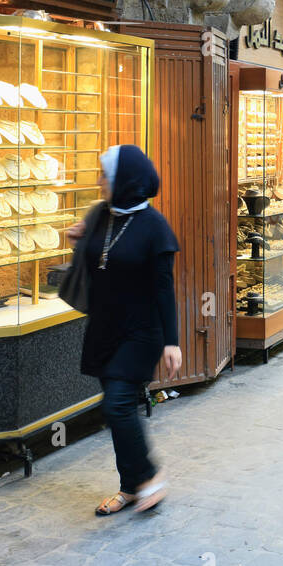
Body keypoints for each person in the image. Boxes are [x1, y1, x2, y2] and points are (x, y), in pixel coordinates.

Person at [67, 145, 182, 515]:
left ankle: (150, 476)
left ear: (124, 181)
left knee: (116, 404)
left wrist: (172, 342)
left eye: (105, 175)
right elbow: (98, 254)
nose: (99, 182)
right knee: (120, 410)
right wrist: (79, 239)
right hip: (105, 327)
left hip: (142, 331)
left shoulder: (154, 227)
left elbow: (165, 289)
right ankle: (130, 486)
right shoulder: (102, 214)